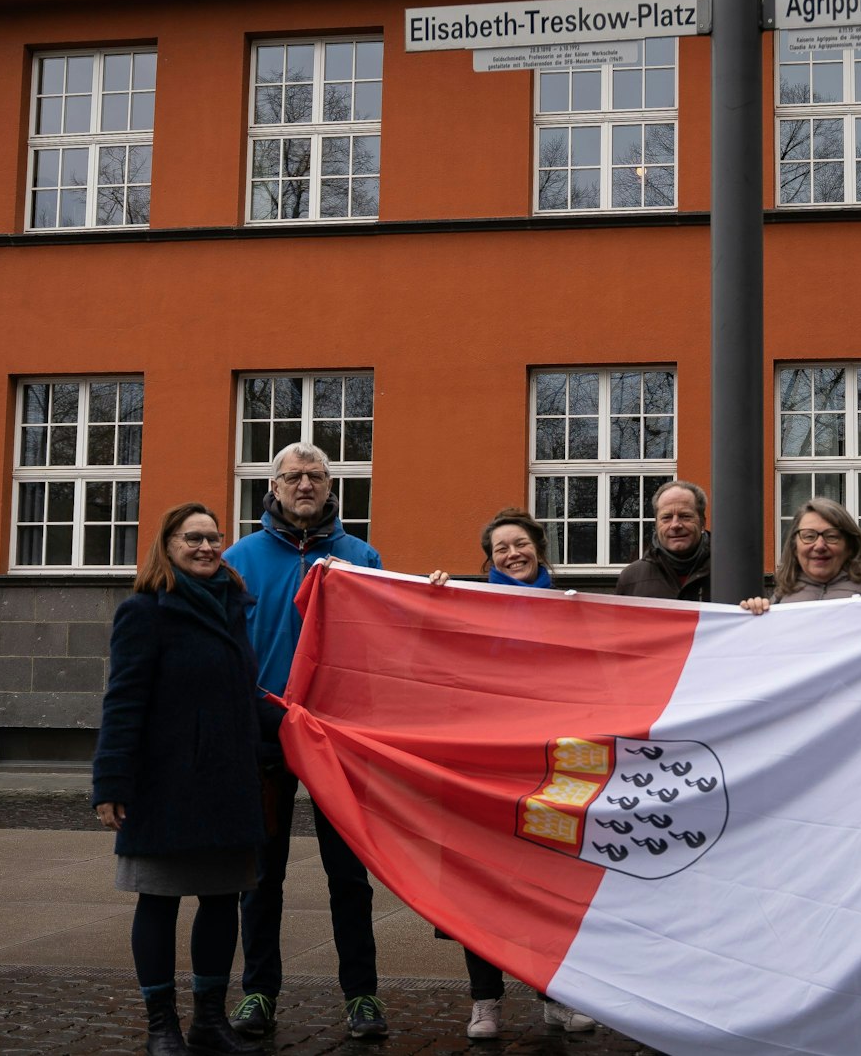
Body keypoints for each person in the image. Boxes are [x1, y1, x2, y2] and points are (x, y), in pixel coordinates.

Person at [220, 443, 391, 1041]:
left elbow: (382, 645)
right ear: (274, 486)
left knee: (348, 874)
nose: (304, 484)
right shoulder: (240, 557)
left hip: (335, 735)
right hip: (263, 734)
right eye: (292, 476)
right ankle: (259, 992)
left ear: (330, 485)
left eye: (315, 475)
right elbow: (226, 649)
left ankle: (362, 995)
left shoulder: (360, 556)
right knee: (263, 874)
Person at [92, 502, 267, 1056]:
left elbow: (245, 694)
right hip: (164, 785)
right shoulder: (144, 611)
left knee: (221, 902)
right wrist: (111, 782)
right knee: (159, 901)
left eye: (214, 538)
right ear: (166, 546)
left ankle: (209, 1022)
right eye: (192, 538)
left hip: (229, 783)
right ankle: (161, 1025)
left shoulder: (234, 605)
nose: (206, 548)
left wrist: (298, 725)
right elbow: (123, 702)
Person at [426, 508, 600, 1040]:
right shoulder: (469, 603)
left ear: (538, 549)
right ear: (489, 559)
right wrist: (434, 594)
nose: (512, 555)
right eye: (500, 548)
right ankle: (486, 1002)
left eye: (519, 544)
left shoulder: (570, 609)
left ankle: (556, 997)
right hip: (483, 768)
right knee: (481, 884)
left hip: (548, 768)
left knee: (549, 886)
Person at [737, 497, 861, 613]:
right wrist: (754, 617)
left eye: (831, 536)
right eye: (809, 536)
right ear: (795, 546)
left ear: (849, 545)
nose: (819, 546)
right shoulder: (778, 602)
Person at [615, 479, 711, 600]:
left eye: (685, 516)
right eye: (666, 517)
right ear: (656, 524)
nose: (675, 525)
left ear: (702, 522)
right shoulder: (631, 579)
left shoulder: (733, 573)